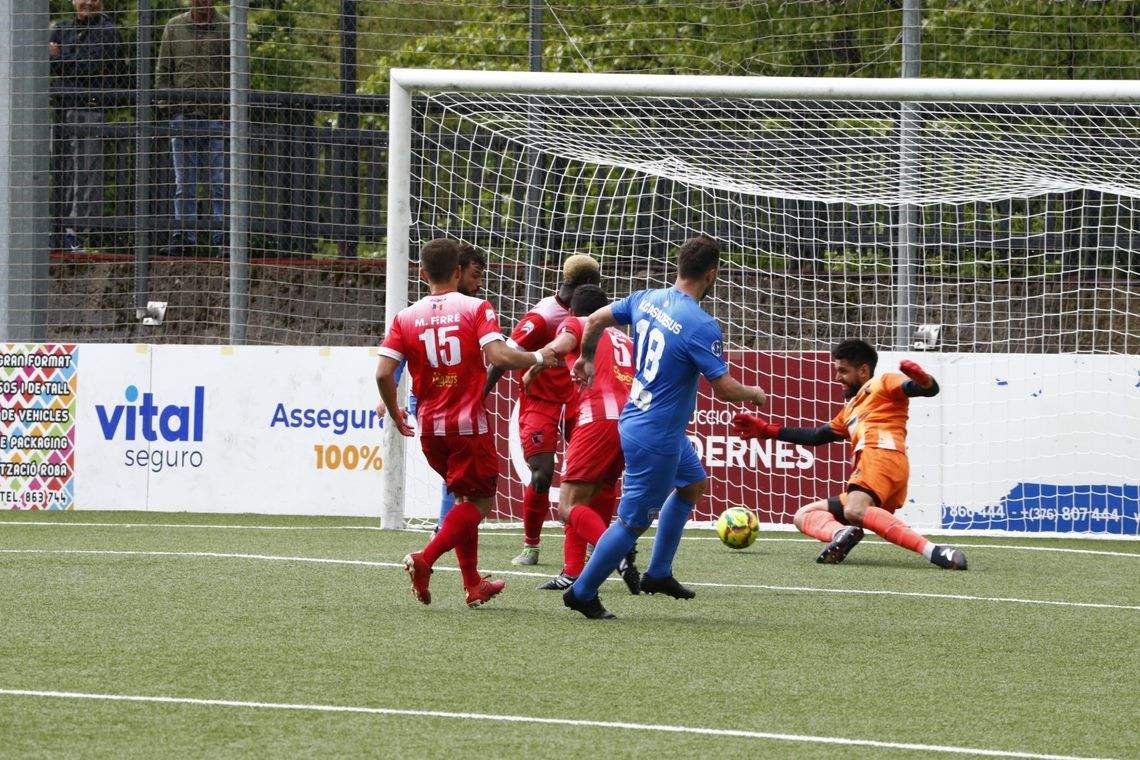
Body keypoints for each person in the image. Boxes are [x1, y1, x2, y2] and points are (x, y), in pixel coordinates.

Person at [563, 236, 768, 619]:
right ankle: (582, 591)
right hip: (655, 435)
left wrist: (586, 358)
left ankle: (658, 573)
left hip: (645, 422)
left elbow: (594, 319)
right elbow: (723, 391)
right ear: (712, 274)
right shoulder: (702, 325)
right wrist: (754, 392)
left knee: (692, 485)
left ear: (678, 266)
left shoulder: (645, 298)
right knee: (631, 523)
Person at [377, 239, 558, 608]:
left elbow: (383, 372)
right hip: (467, 427)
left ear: (423, 273)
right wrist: (541, 355)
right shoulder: (476, 307)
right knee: (479, 503)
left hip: (429, 428)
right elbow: (499, 356)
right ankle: (425, 559)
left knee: (463, 499)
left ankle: (473, 584)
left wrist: (395, 412)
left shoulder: (405, 317)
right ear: (458, 271)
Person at [733, 339, 967, 570]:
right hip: (879, 466)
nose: (837, 377)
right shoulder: (850, 409)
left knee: (854, 509)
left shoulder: (882, 382)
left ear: (863, 370)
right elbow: (817, 436)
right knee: (804, 515)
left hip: (880, 455)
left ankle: (935, 551)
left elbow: (921, 388)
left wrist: (925, 381)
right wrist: (767, 431)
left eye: (843, 371)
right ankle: (840, 534)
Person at [482, 255, 602, 566]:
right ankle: (531, 545)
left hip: (578, 400)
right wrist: (480, 395)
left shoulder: (594, 314)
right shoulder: (543, 317)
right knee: (543, 473)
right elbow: (503, 356)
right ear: (586, 284)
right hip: (542, 401)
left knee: (592, 475)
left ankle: (589, 544)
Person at [523, 284, 639, 593]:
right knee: (592, 496)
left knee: (568, 504)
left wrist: (534, 363)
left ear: (572, 311)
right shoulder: (626, 340)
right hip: (630, 422)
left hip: (597, 418)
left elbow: (561, 344)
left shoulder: (578, 323)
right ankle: (573, 571)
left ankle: (617, 551)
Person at [376, 243, 486, 528]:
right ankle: (444, 528)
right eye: (474, 275)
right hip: (440, 401)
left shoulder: (431, 310)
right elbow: (396, 362)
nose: (479, 283)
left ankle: (450, 536)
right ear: (457, 272)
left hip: (442, 404)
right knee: (462, 481)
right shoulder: (470, 309)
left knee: (457, 478)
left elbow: (387, 368)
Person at [49, 0, 128, 252]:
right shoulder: (61, 28)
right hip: (62, 111)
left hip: (92, 109)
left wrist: (61, 57)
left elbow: (92, 67)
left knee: (87, 172)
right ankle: (59, 232)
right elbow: (46, 62)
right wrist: (66, 61)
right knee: (61, 169)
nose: (89, 2)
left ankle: (79, 233)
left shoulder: (108, 31)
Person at [155, 0, 229, 252]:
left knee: (219, 182)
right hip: (183, 114)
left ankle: (224, 238)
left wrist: (230, 111)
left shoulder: (228, 27)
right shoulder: (174, 27)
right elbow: (164, 71)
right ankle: (184, 237)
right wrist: (169, 108)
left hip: (216, 115)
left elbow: (238, 71)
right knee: (184, 182)